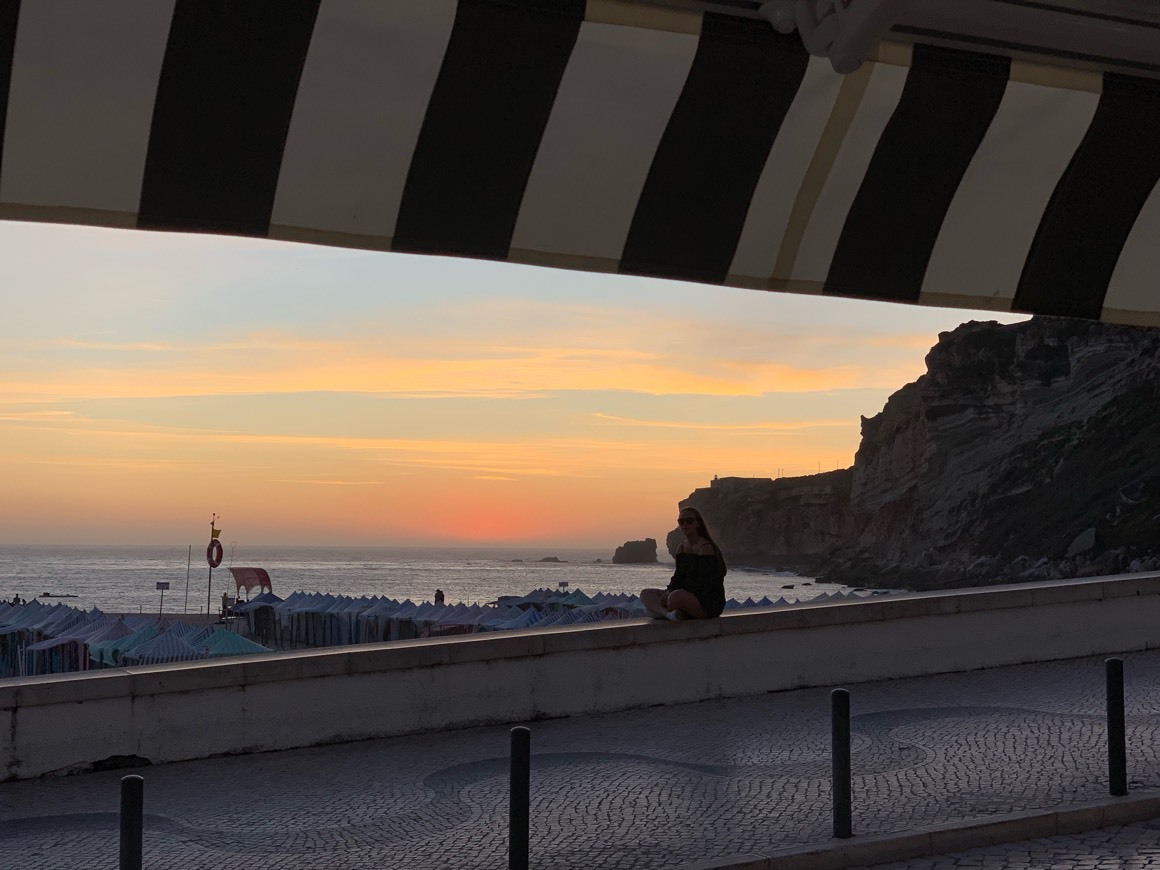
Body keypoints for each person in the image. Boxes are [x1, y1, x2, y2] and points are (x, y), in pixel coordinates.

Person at [641, 507, 727, 620]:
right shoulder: (681, 548)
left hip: (707, 601)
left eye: (689, 521)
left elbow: (703, 582)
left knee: (674, 598)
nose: (685, 524)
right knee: (645, 594)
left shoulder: (705, 548)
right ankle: (668, 614)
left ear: (698, 523)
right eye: (681, 521)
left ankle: (658, 611)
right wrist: (668, 591)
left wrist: (672, 593)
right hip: (685, 595)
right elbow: (678, 576)